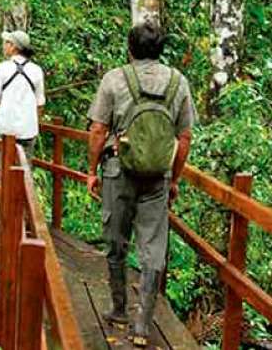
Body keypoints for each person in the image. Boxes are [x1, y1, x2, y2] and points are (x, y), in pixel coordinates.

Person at [86, 23, 195, 347]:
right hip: (157, 179)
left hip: (118, 170)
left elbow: (97, 129)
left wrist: (92, 171)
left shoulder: (115, 79)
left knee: (116, 241)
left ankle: (119, 308)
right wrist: (173, 178)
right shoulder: (179, 83)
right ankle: (142, 326)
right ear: (161, 49)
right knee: (152, 250)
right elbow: (185, 137)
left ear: (129, 48)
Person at [0, 30, 45, 169]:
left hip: (5, 127)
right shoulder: (36, 70)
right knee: (25, 171)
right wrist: (35, 123)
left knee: (5, 170)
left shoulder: (3, 68)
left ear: (14, 47)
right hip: (28, 130)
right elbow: (40, 103)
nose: (4, 46)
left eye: (7, 43)